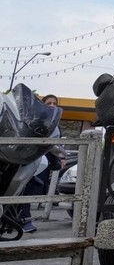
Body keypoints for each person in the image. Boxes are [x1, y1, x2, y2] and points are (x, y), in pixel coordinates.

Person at [16, 94, 64, 233]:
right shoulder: (34, 119)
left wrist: (62, 157)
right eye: (49, 103)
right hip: (29, 159)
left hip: (44, 162)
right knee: (24, 189)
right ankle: (23, 220)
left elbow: (57, 144)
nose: (52, 105)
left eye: (54, 103)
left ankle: (21, 219)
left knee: (33, 190)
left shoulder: (55, 124)